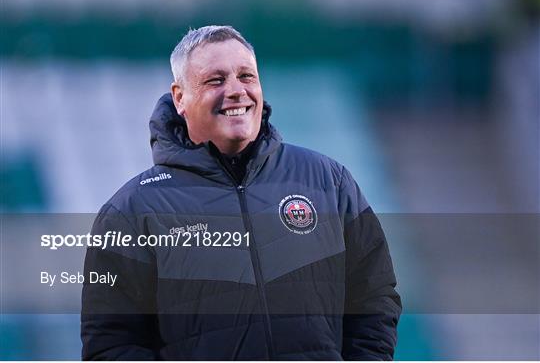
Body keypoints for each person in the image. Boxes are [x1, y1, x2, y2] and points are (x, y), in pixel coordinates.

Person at [81, 25, 402, 360]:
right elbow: (111, 345)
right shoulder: (132, 210)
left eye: (246, 76)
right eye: (216, 80)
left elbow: (374, 296)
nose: (236, 91)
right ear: (180, 98)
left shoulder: (329, 181)